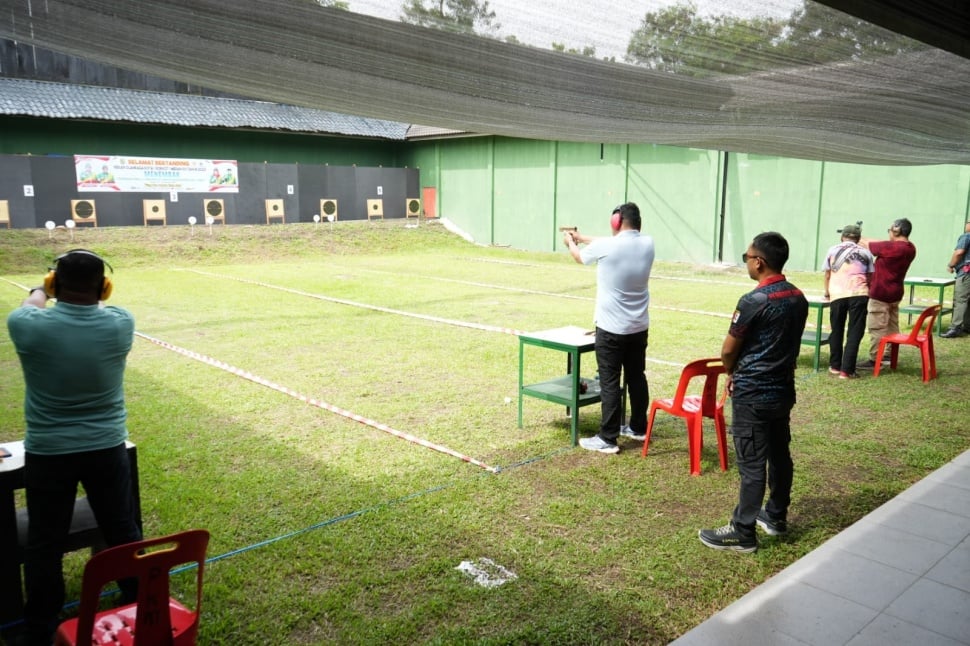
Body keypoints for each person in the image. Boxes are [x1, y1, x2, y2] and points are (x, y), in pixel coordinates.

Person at [7, 249, 142, 645]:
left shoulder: (26, 324)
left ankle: (39, 628)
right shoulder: (120, 323)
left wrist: (39, 289)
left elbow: (31, 305)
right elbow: (107, 309)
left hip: (49, 452)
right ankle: (137, 600)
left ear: (55, 284)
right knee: (121, 528)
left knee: (44, 543)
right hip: (106, 447)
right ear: (104, 288)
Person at [699, 232, 808, 552]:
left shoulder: (753, 301)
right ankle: (775, 515)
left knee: (751, 464)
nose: (746, 262)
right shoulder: (798, 296)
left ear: (759, 262)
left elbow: (729, 350)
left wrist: (733, 371)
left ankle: (742, 531)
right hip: (782, 392)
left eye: (747, 257)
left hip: (753, 394)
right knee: (779, 455)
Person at [563, 203, 655, 454]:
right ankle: (638, 427)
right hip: (638, 327)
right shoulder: (648, 243)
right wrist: (582, 237)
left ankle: (608, 437)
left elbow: (580, 257)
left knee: (610, 381)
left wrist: (571, 242)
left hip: (612, 329)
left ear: (616, 222)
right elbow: (611, 242)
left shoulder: (607, 246)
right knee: (637, 377)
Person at [856, 218, 916, 369]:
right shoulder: (910, 247)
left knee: (877, 327)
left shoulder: (892, 248)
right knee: (892, 325)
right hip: (895, 293)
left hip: (881, 293)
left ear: (896, 230)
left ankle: (875, 359)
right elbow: (882, 244)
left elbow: (865, 244)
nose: (889, 233)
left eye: (890, 230)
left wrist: (856, 235)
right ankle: (889, 354)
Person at [822, 224, 874, 378]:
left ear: (842, 236)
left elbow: (827, 274)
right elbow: (870, 276)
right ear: (858, 239)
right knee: (854, 332)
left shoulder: (832, 250)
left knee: (836, 329)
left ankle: (835, 366)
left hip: (837, 294)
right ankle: (847, 370)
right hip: (859, 293)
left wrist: (827, 293)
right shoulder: (866, 253)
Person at [940, 220, 970, 338]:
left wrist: (951, 265)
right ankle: (967, 326)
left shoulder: (966, 236)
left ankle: (955, 328)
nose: (966, 224)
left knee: (960, 300)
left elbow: (959, 252)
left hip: (966, 272)